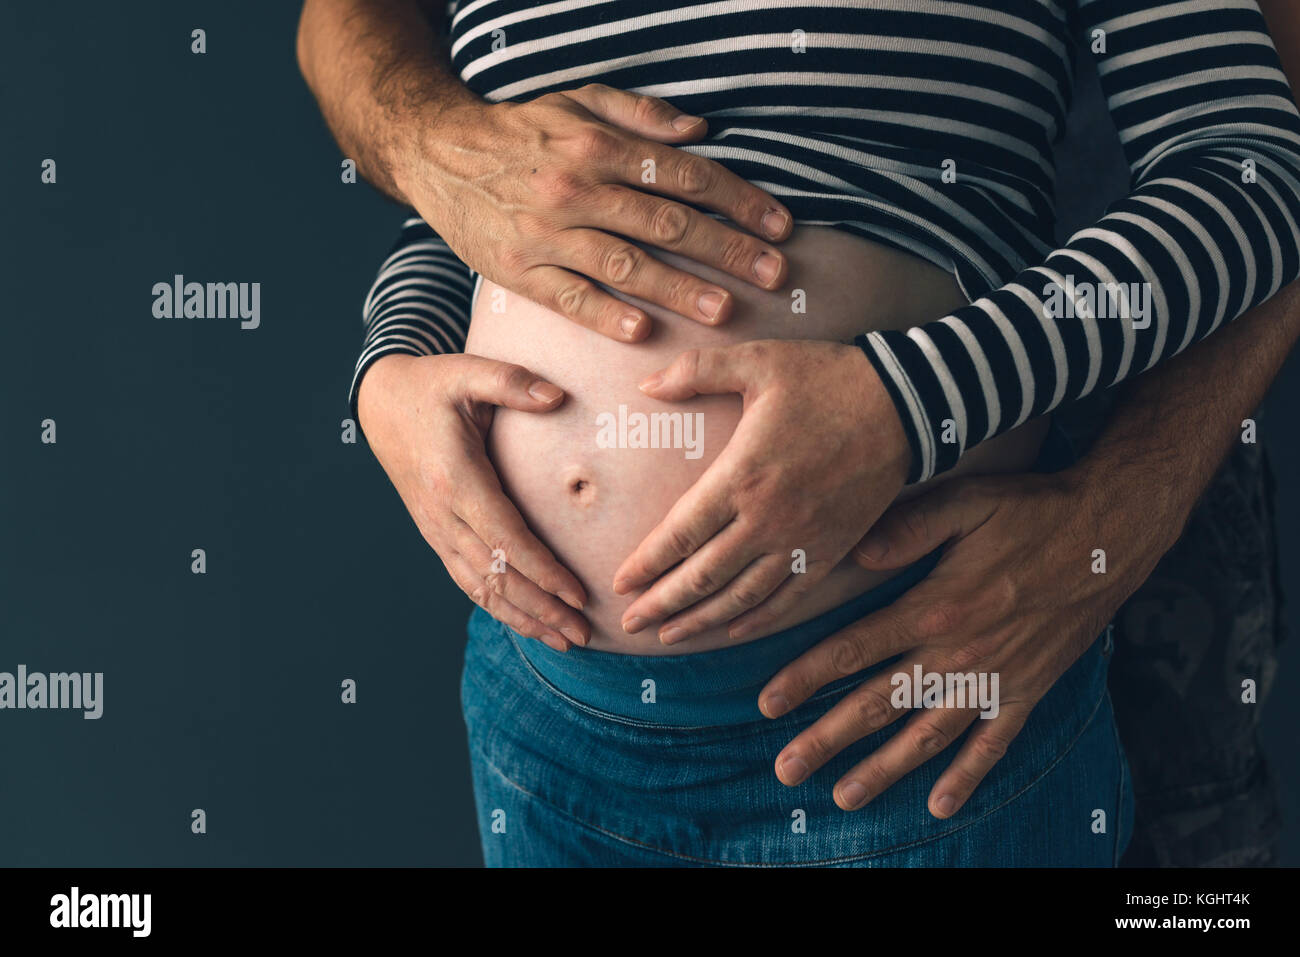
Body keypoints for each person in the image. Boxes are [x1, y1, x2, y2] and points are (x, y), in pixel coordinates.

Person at [298, 0, 1300, 865]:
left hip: (917, 700)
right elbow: (485, 178)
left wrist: (908, 398)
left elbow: (1246, 172)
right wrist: (393, 361)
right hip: (551, 716)